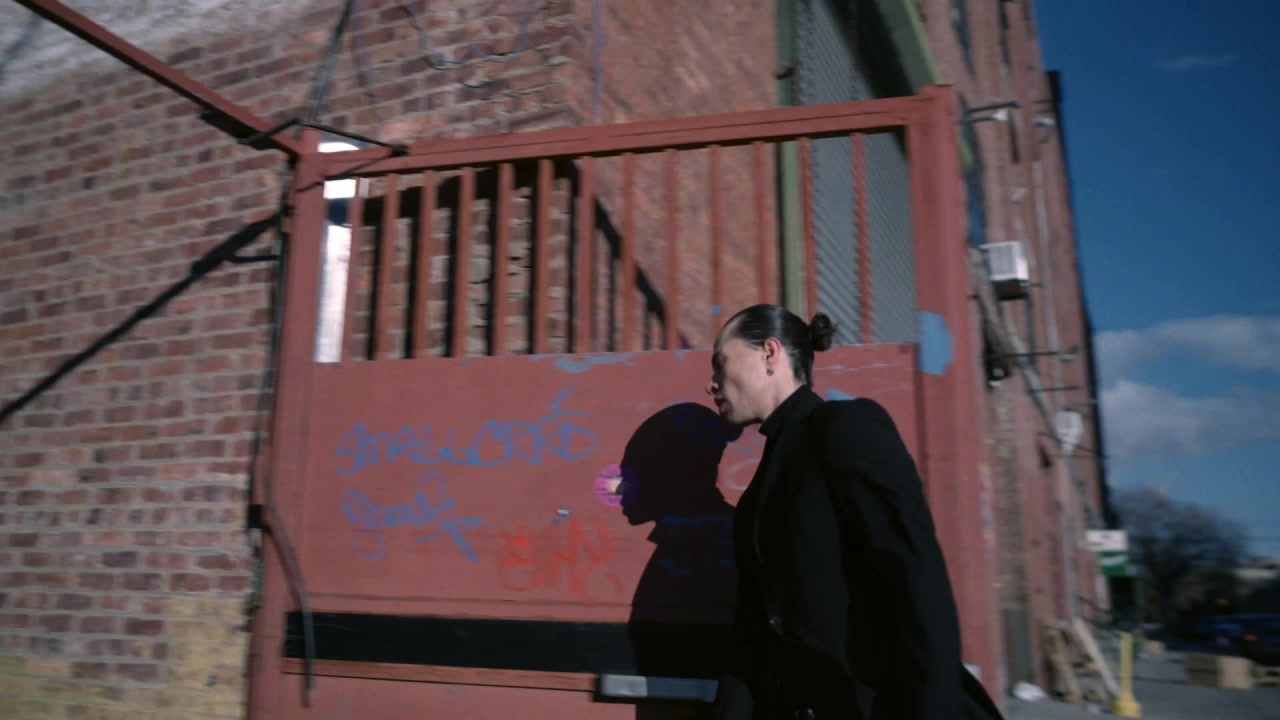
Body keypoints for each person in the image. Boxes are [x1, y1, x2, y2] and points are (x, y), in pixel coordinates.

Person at [705, 303, 1003, 720]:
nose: (712, 383)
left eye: (720, 363)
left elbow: (915, 576)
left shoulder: (844, 427)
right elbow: (752, 636)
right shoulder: (757, 495)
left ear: (770, 353)